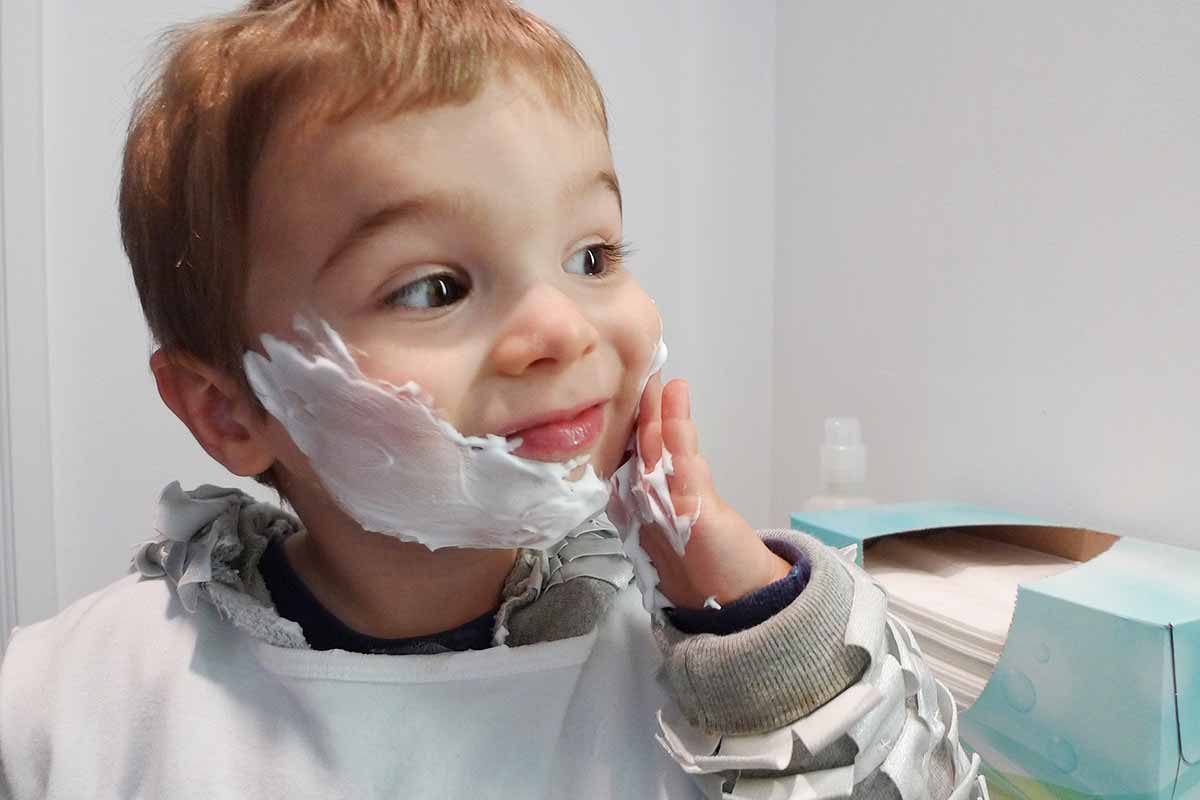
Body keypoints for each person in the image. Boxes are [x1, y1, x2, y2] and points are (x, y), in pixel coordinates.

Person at [0, 2, 988, 798]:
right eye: (434, 286)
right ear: (230, 411)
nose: (562, 328)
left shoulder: (697, 667)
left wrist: (768, 644)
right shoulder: (74, 703)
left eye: (591, 254)